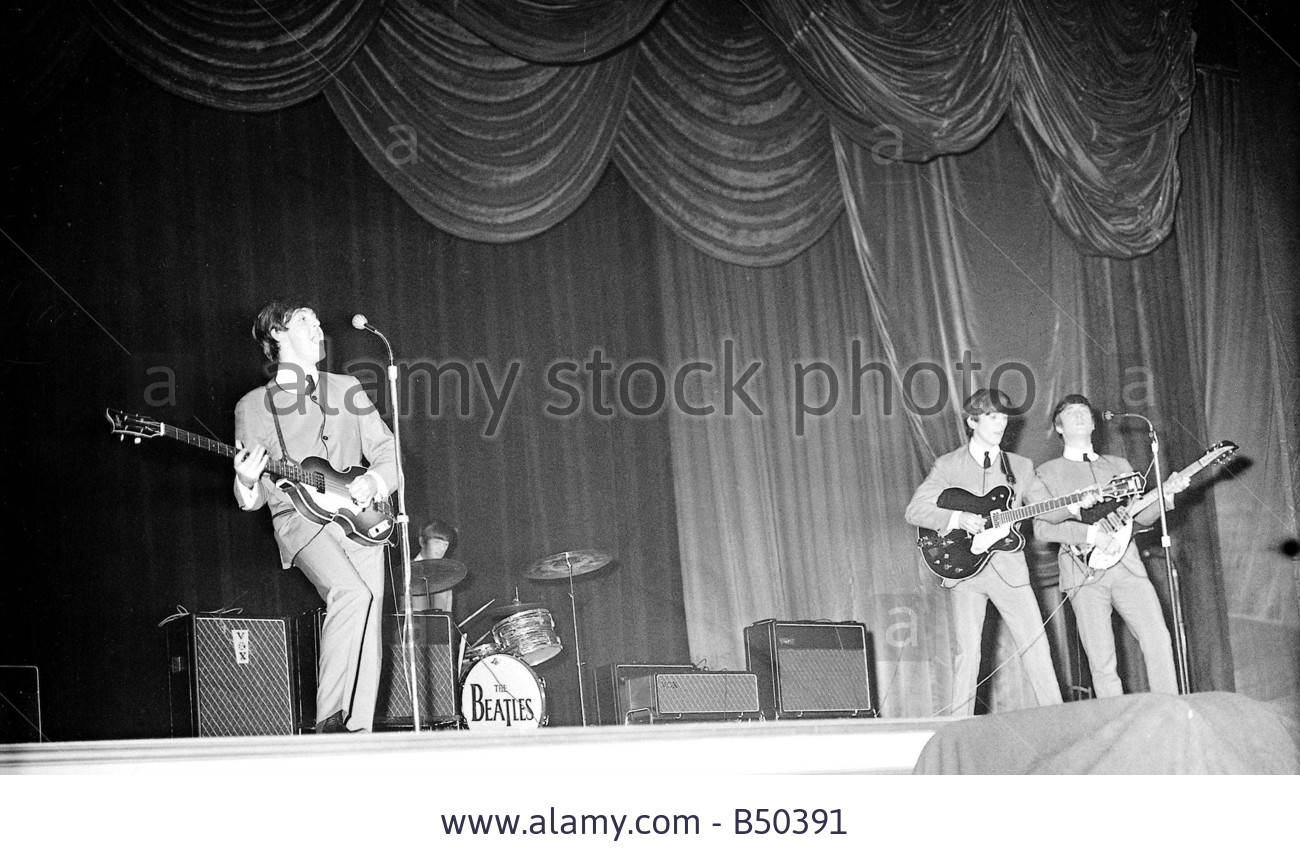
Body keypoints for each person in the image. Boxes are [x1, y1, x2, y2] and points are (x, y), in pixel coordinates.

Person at [232, 302, 398, 733]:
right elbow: (250, 496)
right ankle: (328, 723)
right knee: (351, 594)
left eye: (318, 321)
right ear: (277, 336)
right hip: (301, 520)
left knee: (370, 606)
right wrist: (247, 482)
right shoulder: (254, 405)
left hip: (360, 517)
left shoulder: (346, 388)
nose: (318, 327)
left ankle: (359, 731)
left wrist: (376, 482)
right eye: (305, 321)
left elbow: (385, 449)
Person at [905, 388, 1070, 716]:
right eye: (992, 416)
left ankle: (1057, 718)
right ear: (972, 421)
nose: (1000, 424)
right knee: (968, 654)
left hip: (1010, 572)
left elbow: (1045, 510)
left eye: (1004, 417)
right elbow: (915, 511)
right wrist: (957, 518)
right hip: (965, 572)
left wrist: (1075, 505)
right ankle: (959, 725)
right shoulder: (949, 464)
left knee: (1037, 648)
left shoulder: (1020, 466)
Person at [1032, 394, 1189, 698]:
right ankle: (1115, 723)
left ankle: (1171, 709)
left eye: (1084, 411)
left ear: (1093, 423)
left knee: (1158, 638)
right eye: (1070, 411)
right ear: (1059, 427)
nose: (1079, 414)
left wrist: (1165, 497)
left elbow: (1140, 519)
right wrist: (1091, 536)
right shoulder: (1047, 473)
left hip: (1128, 567)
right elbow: (1041, 528)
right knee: (1103, 661)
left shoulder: (1118, 465)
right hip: (1083, 575)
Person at [412, 519, 459, 613]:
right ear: (422, 542)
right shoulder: (406, 572)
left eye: (445, 544)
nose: (441, 549)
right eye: (437, 542)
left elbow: (447, 615)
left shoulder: (445, 576)